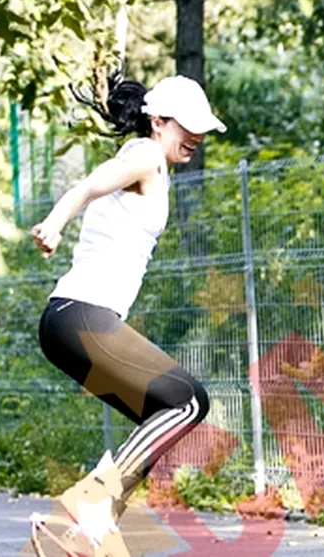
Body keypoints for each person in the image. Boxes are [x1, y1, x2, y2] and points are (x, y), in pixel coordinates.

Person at [28, 73, 227, 556]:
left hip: (70, 324)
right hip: (82, 318)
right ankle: (93, 511)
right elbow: (88, 186)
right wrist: (53, 224)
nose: (196, 138)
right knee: (188, 403)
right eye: (188, 126)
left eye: (203, 128)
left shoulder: (149, 159)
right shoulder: (145, 155)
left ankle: (81, 538)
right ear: (158, 122)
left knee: (158, 426)